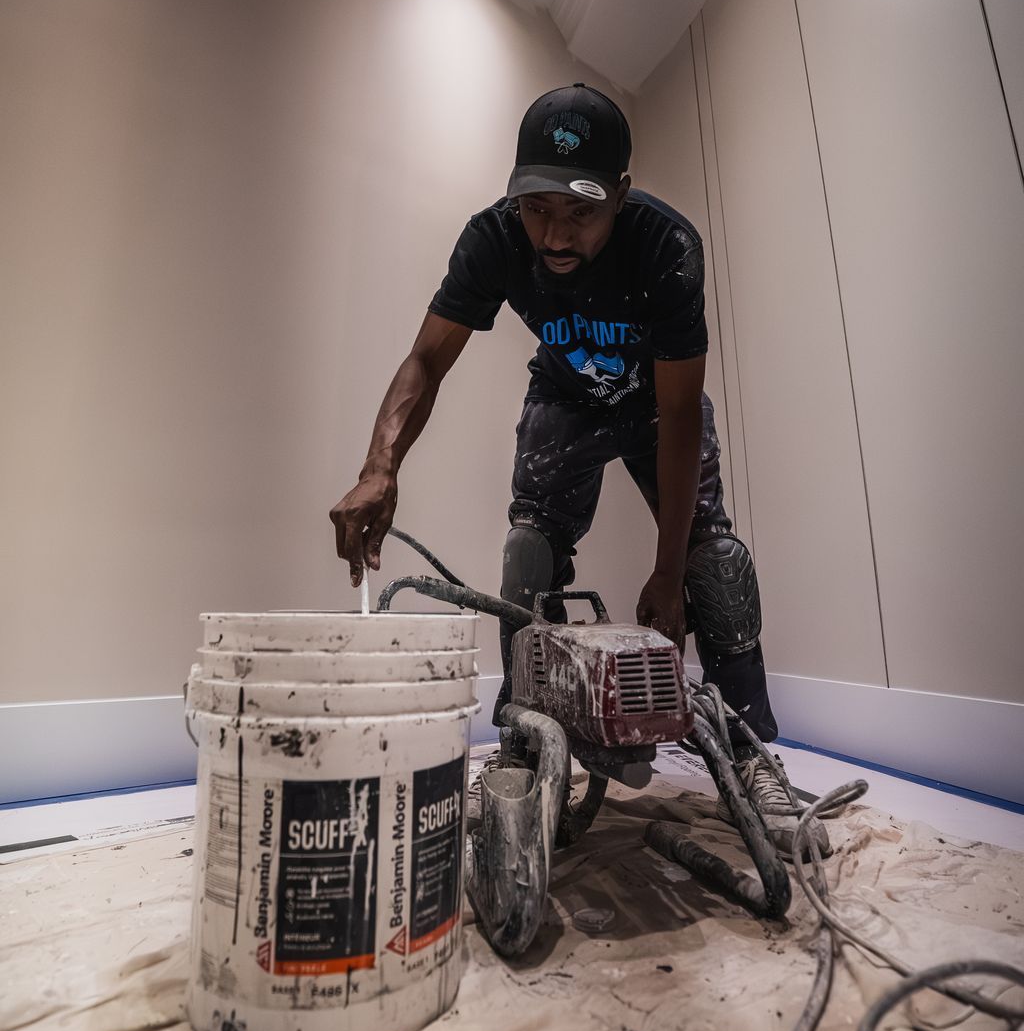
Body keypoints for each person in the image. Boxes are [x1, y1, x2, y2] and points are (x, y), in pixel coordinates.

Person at [330, 83, 829, 860]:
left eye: (580, 212)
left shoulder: (667, 249)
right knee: (527, 554)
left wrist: (668, 574)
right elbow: (428, 357)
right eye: (537, 210)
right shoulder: (494, 238)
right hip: (565, 396)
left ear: (621, 197)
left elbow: (677, 418)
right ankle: (529, 748)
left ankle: (750, 752)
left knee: (714, 562)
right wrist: (379, 467)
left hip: (656, 403)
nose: (554, 235)